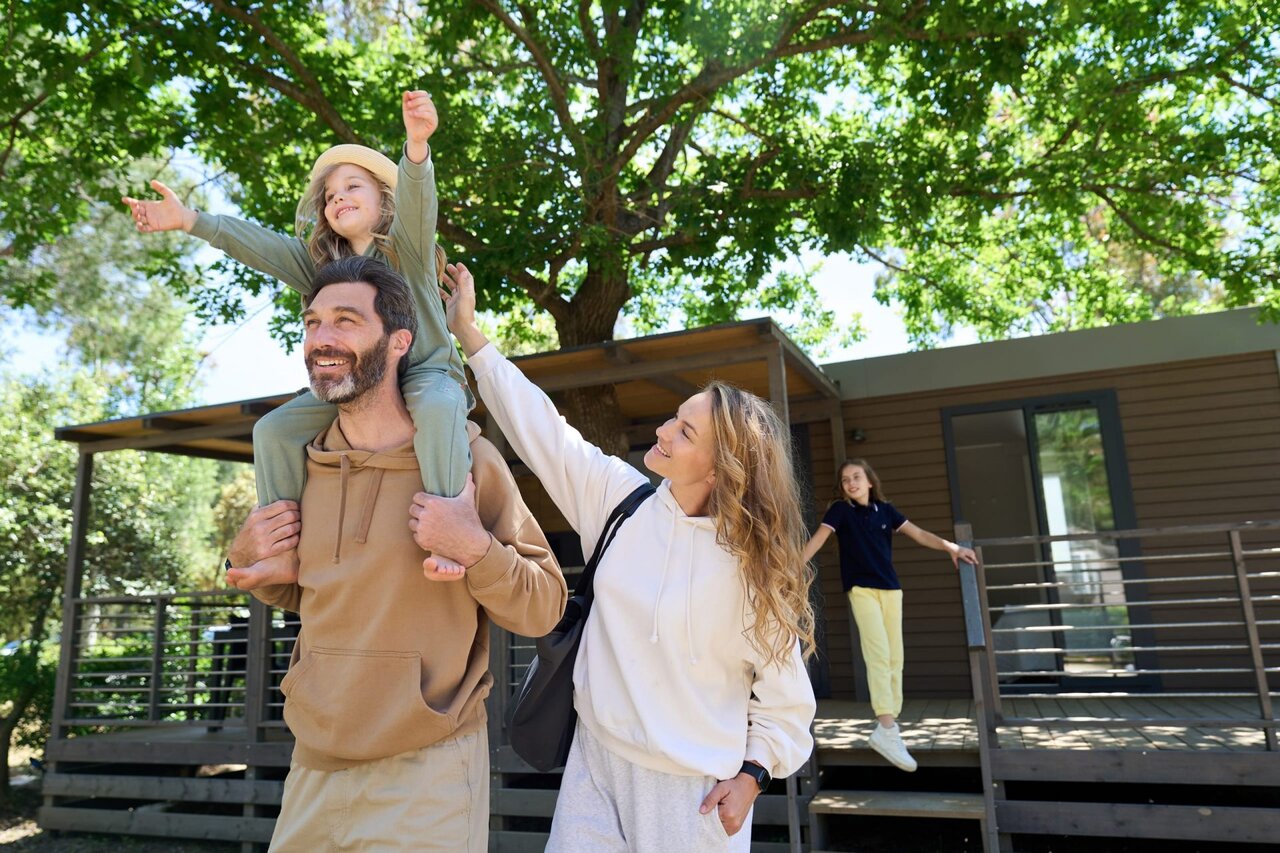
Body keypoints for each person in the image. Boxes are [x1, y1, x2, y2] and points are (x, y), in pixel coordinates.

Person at [440, 262, 817, 852]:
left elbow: (787, 700)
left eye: (686, 433)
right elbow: (544, 431)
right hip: (594, 767)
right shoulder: (622, 502)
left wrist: (753, 775)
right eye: (675, 418)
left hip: (692, 794)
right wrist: (468, 332)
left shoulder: (753, 571)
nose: (664, 431)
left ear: (721, 470)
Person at [226, 256, 567, 851]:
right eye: (312, 323)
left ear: (399, 341)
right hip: (312, 766)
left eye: (346, 320)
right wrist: (242, 561)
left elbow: (544, 608)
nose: (322, 338)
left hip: (428, 768)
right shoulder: (299, 464)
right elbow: (304, 593)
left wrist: (475, 548)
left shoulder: (465, 462)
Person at [124, 90, 469, 580]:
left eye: (353, 187)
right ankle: (283, 550)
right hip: (359, 382)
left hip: (424, 373)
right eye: (330, 196)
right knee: (272, 431)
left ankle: (449, 530)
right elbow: (262, 247)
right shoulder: (323, 269)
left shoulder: (407, 249)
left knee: (438, 407)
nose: (338, 198)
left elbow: (418, 203)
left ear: (385, 200)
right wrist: (191, 221)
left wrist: (416, 147)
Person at [801, 458, 978, 772]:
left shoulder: (886, 511)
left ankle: (888, 729)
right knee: (879, 655)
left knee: (896, 658)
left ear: (869, 481)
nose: (851, 483)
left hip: (891, 590)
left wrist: (951, 547)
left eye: (856, 477)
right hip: (862, 590)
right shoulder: (840, 511)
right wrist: (791, 566)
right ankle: (886, 725)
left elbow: (919, 534)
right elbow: (818, 539)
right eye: (845, 479)